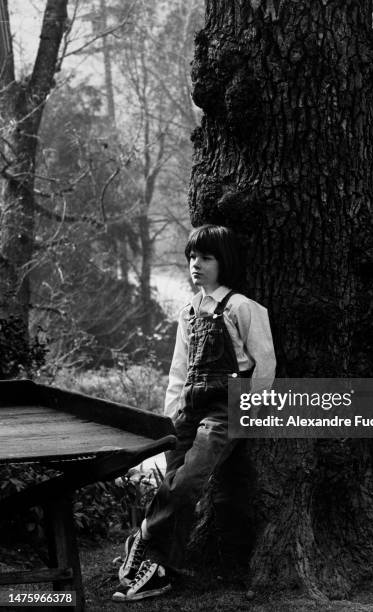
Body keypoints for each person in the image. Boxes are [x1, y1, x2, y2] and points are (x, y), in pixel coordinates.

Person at [112, 224, 276, 602]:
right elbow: (178, 369)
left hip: (226, 409)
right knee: (176, 486)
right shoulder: (188, 312)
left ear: (225, 261)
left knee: (187, 481)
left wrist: (246, 408)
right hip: (188, 407)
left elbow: (266, 365)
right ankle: (158, 572)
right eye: (191, 257)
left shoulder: (242, 307)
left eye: (206, 257)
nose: (195, 265)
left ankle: (144, 535)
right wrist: (174, 415)